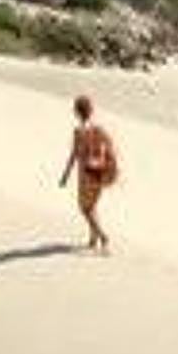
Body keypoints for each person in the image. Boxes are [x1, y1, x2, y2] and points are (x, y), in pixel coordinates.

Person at [59, 94, 118, 253]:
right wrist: (108, 166)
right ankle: (92, 239)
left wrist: (65, 176)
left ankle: (102, 236)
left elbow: (74, 155)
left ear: (78, 112)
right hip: (99, 173)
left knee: (85, 209)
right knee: (92, 206)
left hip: (85, 175)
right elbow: (111, 148)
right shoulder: (99, 129)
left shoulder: (79, 132)